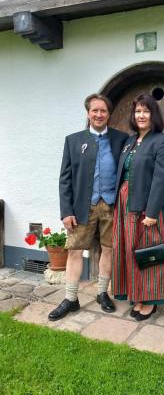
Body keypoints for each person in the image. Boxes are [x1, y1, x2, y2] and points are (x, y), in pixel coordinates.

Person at [48, 93, 128, 321]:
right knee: (74, 250)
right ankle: (71, 298)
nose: (99, 114)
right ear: (88, 113)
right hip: (83, 206)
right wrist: (66, 211)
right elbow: (65, 179)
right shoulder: (73, 140)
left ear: (109, 114)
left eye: (103, 110)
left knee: (108, 249)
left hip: (111, 206)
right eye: (95, 110)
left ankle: (103, 293)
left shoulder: (121, 139)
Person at [112, 93, 164, 321]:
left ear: (153, 115)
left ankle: (150, 301)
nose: (141, 115)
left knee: (148, 253)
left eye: (146, 111)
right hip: (125, 203)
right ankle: (137, 295)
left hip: (147, 206)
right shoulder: (130, 141)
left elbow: (161, 178)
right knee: (130, 251)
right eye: (138, 111)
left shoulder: (162, 141)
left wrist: (151, 212)